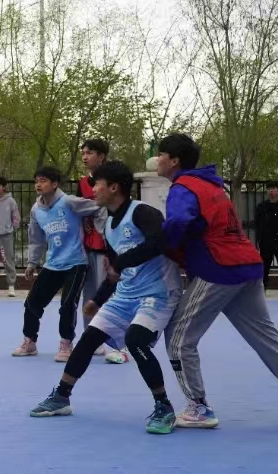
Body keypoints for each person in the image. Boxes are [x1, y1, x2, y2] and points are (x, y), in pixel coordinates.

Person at [157, 133, 278, 433]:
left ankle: (199, 407)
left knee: (178, 338)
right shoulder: (213, 186)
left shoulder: (183, 187)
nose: (157, 159)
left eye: (161, 154)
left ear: (174, 160)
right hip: (247, 265)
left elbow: (177, 223)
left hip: (219, 270)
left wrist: (162, 247)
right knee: (268, 340)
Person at [30, 161, 183, 434]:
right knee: (88, 339)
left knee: (136, 341)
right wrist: (98, 299)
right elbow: (114, 271)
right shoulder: (109, 224)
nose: (93, 190)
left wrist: (122, 261)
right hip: (126, 294)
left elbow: (159, 243)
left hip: (157, 293)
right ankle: (61, 397)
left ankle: (164, 406)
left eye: (97, 184)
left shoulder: (143, 212)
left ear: (114, 187)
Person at [13, 166, 100, 362]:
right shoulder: (36, 210)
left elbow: (98, 206)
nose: (38, 184)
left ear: (54, 184)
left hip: (76, 263)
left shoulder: (69, 202)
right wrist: (32, 263)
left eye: (43, 181)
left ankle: (66, 343)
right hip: (52, 263)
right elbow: (36, 239)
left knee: (67, 304)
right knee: (32, 303)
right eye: (36, 181)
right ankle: (29, 342)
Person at [76, 139, 122, 362]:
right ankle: (91, 339)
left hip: (107, 248)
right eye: (83, 153)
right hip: (86, 246)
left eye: (90, 153)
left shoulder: (114, 179)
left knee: (108, 294)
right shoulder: (83, 183)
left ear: (101, 156)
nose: (85, 157)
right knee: (88, 294)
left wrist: (112, 252)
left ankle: (115, 343)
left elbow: (116, 214)